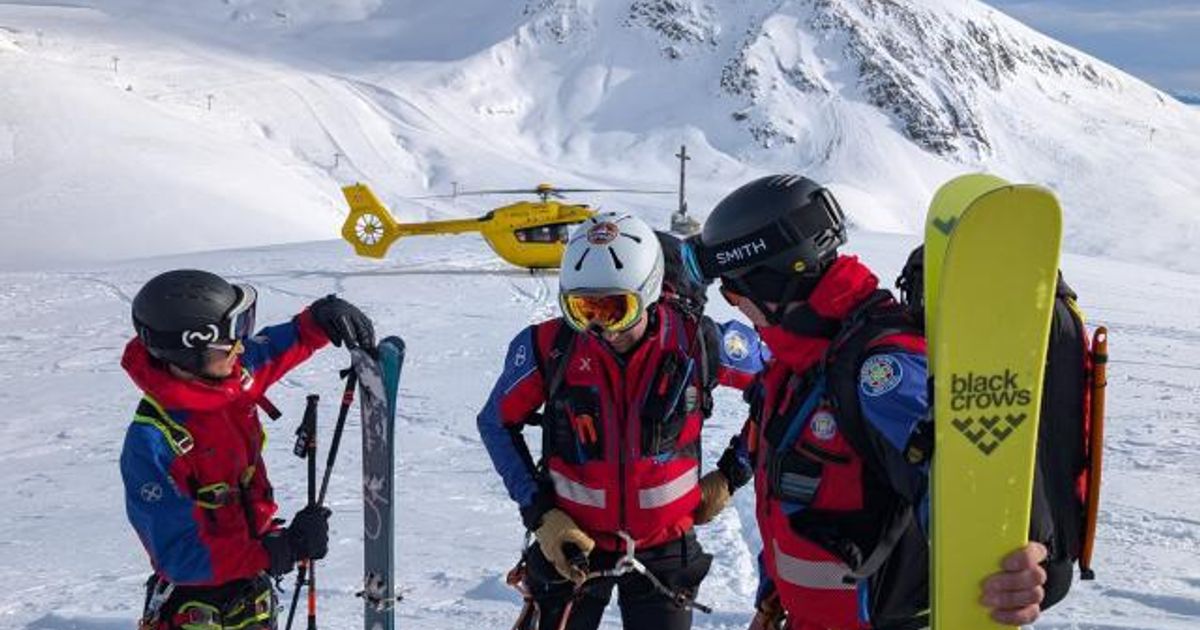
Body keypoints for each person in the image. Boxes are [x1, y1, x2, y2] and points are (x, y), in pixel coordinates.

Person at [684, 175, 1051, 630]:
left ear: (776, 283)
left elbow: (975, 487)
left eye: (735, 292)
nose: (735, 306)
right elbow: (799, 501)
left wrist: (1023, 561)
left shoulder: (881, 374)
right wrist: (774, 596)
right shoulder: (799, 362)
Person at [477, 212, 763, 630]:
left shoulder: (698, 342)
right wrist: (540, 514)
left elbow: (782, 385)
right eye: (582, 308)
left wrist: (732, 473)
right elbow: (495, 423)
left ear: (647, 293)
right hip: (572, 545)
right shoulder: (548, 348)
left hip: (666, 547)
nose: (599, 327)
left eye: (613, 308)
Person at [120, 269, 376, 629]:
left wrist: (317, 321)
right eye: (230, 341)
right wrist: (279, 550)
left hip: (251, 588)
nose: (241, 347)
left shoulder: (230, 376)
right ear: (192, 350)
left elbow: (275, 347)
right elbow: (181, 555)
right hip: (198, 603)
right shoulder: (153, 443)